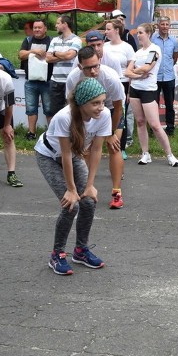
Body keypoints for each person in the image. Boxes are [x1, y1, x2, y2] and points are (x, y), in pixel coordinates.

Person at [35, 78, 110, 275]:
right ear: (81, 103)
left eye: (102, 101)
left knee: (88, 200)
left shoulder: (104, 115)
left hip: (75, 155)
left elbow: (96, 150)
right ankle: (57, 254)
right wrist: (71, 189)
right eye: (95, 103)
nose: (101, 107)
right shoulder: (64, 117)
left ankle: (80, 250)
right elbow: (64, 155)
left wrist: (90, 185)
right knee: (71, 205)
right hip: (49, 156)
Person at [65, 45, 125, 209]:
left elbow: (118, 107)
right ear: (79, 66)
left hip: (111, 111)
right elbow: (72, 107)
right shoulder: (73, 78)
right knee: (83, 149)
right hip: (86, 112)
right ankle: (85, 187)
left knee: (114, 146)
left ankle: (116, 192)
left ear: (100, 61)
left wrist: (111, 133)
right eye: (88, 68)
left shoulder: (110, 77)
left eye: (96, 66)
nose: (93, 71)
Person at [126, 22, 178, 167]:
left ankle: (170, 155)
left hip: (149, 89)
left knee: (155, 125)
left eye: (140, 33)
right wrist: (137, 75)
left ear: (148, 34)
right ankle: (145, 153)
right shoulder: (137, 53)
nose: (138, 35)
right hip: (135, 89)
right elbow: (127, 72)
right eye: (137, 33)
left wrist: (136, 71)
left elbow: (147, 67)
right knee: (140, 121)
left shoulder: (154, 49)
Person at [104, 18, 137, 154]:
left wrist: (129, 91)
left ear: (117, 30)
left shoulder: (127, 47)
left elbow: (131, 70)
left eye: (108, 29)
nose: (105, 32)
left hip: (122, 83)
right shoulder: (104, 46)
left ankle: (121, 147)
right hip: (106, 84)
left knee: (120, 116)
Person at [18, 18, 53, 140]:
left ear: (45, 29)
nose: (37, 30)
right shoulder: (27, 40)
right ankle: (31, 133)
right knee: (31, 108)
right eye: (35, 28)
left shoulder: (52, 41)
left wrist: (46, 54)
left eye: (39, 27)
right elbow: (21, 55)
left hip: (47, 81)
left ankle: (51, 134)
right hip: (30, 81)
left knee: (49, 109)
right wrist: (33, 51)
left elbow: (54, 56)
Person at [47, 15, 81, 118]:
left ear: (65, 24)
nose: (55, 25)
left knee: (71, 110)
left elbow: (70, 55)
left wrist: (55, 52)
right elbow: (48, 58)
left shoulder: (76, 40)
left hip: (70, 81)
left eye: (58, 23)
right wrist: (64, 55)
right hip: (55, 81)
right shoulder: (54, 39)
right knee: (54, 111)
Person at [152, 16, 178, 135]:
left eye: (167, 24)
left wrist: (167, 67)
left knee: (169, 104)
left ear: (169, 26)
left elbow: (175, 57)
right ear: (158, 25)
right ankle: (154, 129)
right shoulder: (152, 39)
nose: (165, 27)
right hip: (155, 77)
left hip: (169, 77)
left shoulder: (174, 41)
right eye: (162, 24)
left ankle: (170, 129)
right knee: (153, 105)